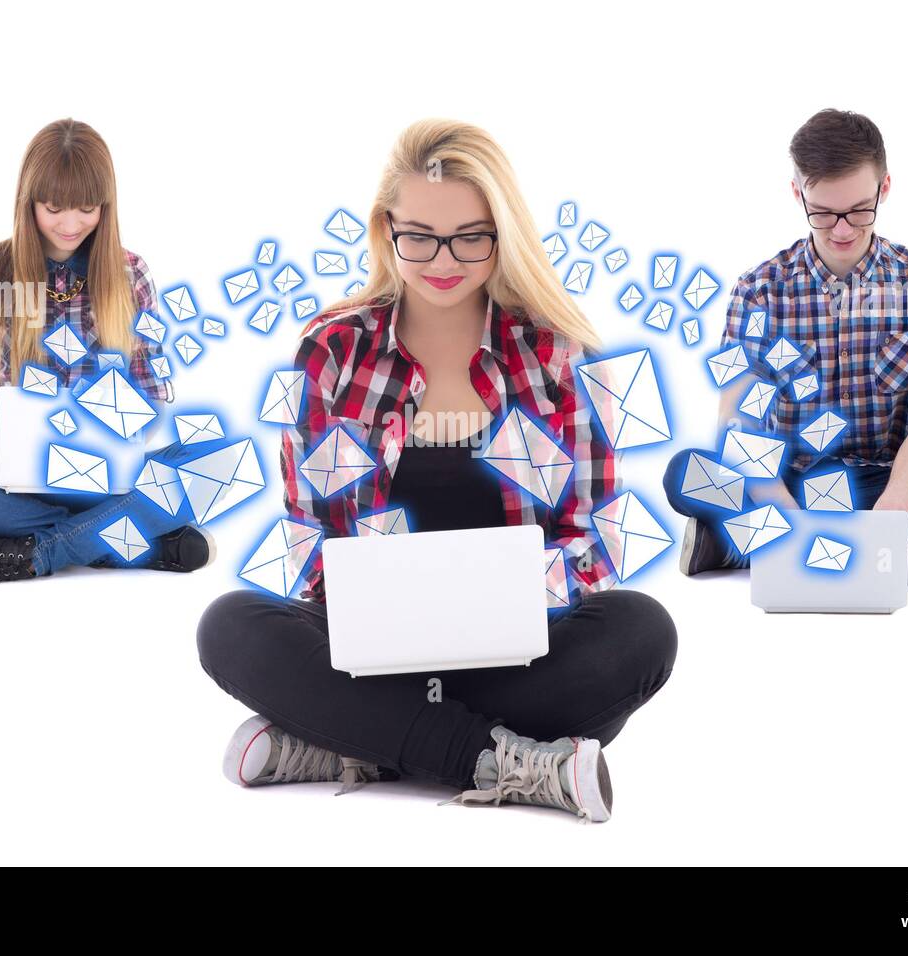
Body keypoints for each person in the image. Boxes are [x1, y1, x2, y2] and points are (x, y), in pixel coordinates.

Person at [195, 119, 678, 822]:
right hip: (367, 655)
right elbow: (310, 533)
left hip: (519, 659)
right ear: (385, 229)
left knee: (641, 631)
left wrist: (505, 601)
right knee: (228, 625)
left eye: (470, 236)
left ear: (502, 232)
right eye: (418, 235)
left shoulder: (558, 359)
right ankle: (508, 761)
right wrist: (385, 611)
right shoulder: (332, 352)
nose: (442, 258)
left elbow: (591, 537)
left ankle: (351, 743)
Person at [663, 109, 908, 592]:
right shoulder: (758, 291)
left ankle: (747, 547)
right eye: (822, 212)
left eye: (859, 210)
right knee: (683, 472)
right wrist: (786, 512)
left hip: (884, 482)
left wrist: (891, 508)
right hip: (784, 483)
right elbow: (739, 423)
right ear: (798, 193)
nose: (842, 230)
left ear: (884, 189)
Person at [0, 118, 213, 586]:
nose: (70, 225)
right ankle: (114, 540)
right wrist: (24, 452)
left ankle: (34, 552)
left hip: (105, 478)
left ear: (106, 205)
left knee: (213, 458)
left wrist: (110, 449)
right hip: (14, 479)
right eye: (54, 208)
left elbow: (153, 395)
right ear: (29, 203)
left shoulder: (130, 275)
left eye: (87, 209)